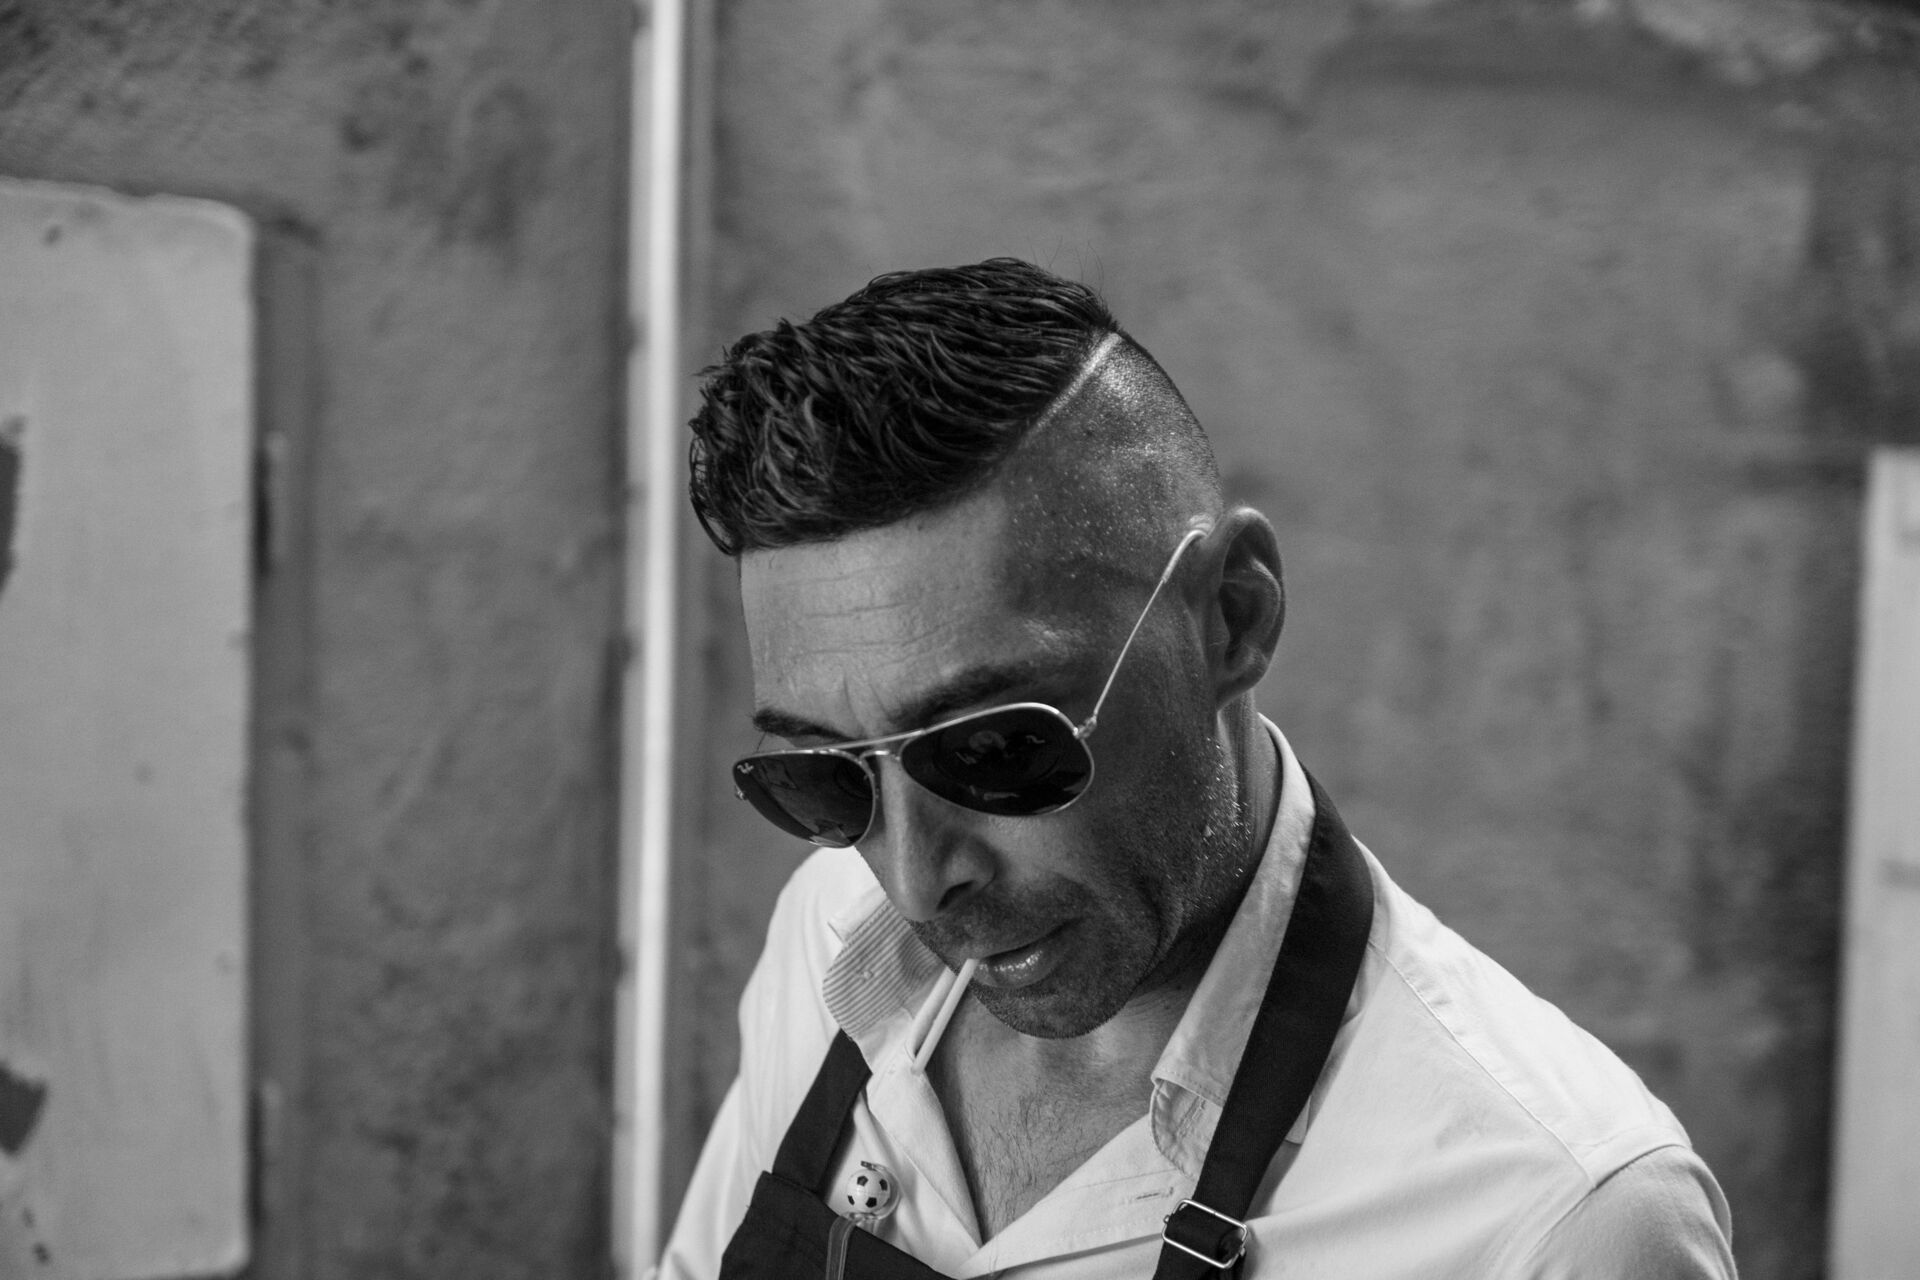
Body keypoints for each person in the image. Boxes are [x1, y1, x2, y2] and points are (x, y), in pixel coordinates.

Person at [655, 258, 1736, 1279]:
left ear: (1233, 616)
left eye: (995, 748)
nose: (916, 877)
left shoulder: (1555, 1217)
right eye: (828, 777)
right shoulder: (828, 938)